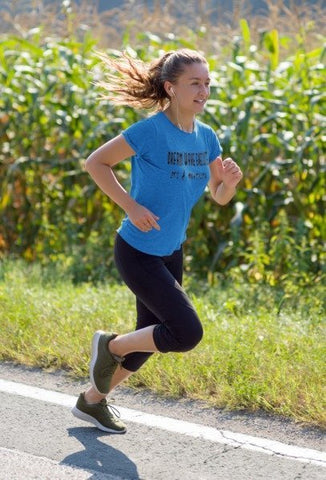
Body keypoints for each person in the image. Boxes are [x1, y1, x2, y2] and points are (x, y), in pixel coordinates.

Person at [71, 48, 243, 433]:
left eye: (207, 83)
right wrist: (130, 206)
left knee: (149, 340)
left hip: (170, 250)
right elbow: (96, 162)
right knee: (185, 332)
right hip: (137, 250)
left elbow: (218, 195)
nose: (203, 91)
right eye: (194, 83)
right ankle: (111, 346)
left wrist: (228, 184)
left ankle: (91, 402)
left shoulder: (206, 137)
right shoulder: (150, 131)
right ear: (171, 87)